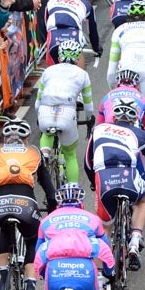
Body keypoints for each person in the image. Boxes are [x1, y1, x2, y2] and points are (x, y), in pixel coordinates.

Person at [0, 118, 57, 290]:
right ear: (26, 138)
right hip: (25, 204)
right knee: (33, 240)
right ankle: (30, 289)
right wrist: (51, 209)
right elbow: (50, 191)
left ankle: (4, 279)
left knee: (5, 231)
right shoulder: (34, 152)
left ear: (4, 138)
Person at [84, 100, 145, 271]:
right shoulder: (142, 135)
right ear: (135, 120)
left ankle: (101, 276)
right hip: (128, 175)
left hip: (103, 177)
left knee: (104, 228)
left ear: (114, 117)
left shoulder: (98, 129)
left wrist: (93, 183)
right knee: (142, 200)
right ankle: (134, 240)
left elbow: (88, 162)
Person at [35, 38, 94, 183]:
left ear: (60, 56)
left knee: (46, 131)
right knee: (70, 155)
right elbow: (88, 105)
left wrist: (39, 117)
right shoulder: (82, 75)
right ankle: (73, 191)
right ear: (78, 57)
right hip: (67, 114)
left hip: (46, 110)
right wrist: (89, 120)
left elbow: (37, 102)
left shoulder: (48, 71)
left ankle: (45, 155)